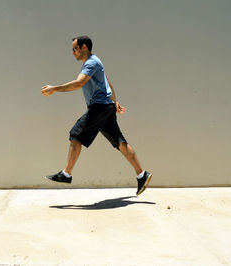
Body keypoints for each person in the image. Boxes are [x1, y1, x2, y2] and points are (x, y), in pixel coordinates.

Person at [41, 35, 152, 195]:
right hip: (106, 106)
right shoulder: (95, 63)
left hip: (99, 107)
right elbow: (107, 82)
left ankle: (66, 173)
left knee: (76, 135)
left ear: (84, 47)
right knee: (119, 141)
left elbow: (79, 83)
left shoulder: (91, 63)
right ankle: (142, 174)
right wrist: (114, 101)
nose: (73, 52)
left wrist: (54, 88)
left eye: (75, 48)